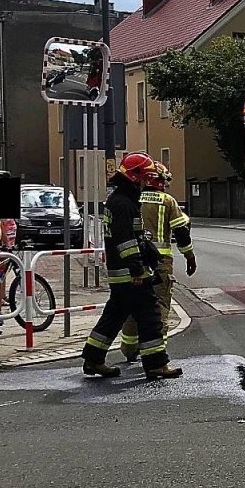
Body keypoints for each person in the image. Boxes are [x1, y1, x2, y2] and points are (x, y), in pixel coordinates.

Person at [80, 152, 182, 380]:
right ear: (136, 177)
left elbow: (131, 237)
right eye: (145, 177)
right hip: (129, 273)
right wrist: (136, 269)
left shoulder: (119, 200)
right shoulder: (124, 204)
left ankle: (93, 359)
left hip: (119, 272)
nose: (147, 182)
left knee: (114, 316)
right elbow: (126, 241)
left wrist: (148, 252)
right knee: (150, 316)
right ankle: (156, 364)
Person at [120, 160, 196, 363]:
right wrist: (189, 256)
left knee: (133, 306)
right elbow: (181, 233)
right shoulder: (167, 201)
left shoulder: (131, 199)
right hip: (160, 263)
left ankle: (129, 348)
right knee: (159, 306)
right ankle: (156, 352)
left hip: (133, 261)